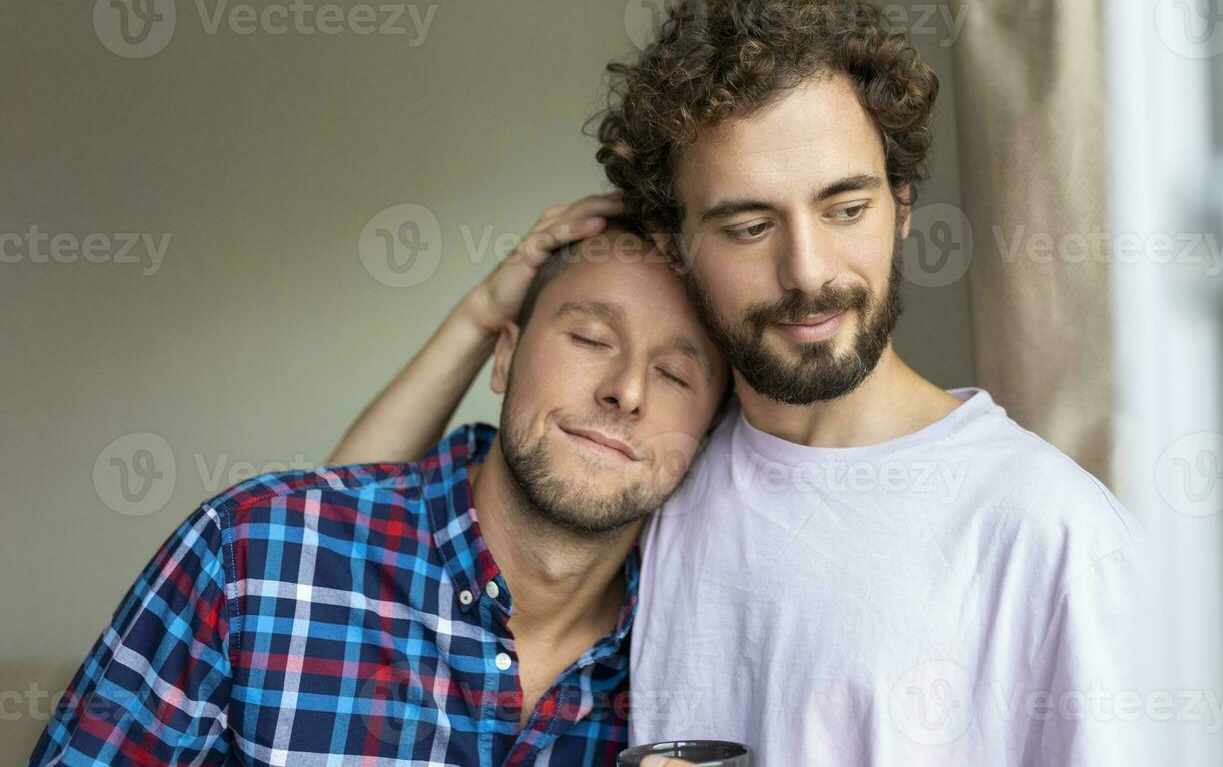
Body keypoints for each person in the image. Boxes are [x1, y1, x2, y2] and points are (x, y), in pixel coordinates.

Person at [336, 0, 1142, 765]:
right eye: (749, 226)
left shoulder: (1048, 531)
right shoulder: (663, 465)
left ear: (901, 211)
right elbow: (340, 548)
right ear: (675, 246)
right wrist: (482, 315)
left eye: (846, 208)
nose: (809, 272)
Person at [30, 204, 730, 766]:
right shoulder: (249, 557)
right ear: (505, 354)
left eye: (676, 375)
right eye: (589, 339)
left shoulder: (701, 659)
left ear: (708, 434)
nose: (628, 390)